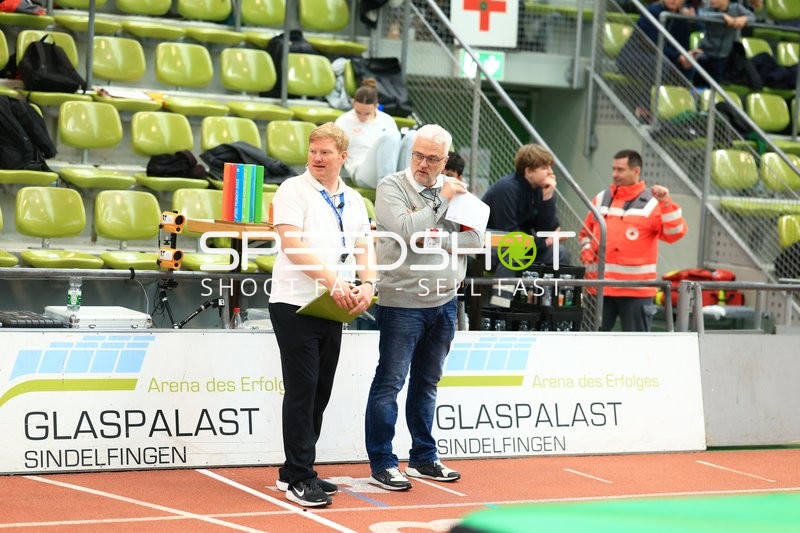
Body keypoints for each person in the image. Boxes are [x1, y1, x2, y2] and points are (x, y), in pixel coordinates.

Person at [365, 124, 483, 491]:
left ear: (445, 161)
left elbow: (476, 240)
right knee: (390, 383)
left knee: (427, 383)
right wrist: (441, 202)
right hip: (402, 301)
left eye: (432, 158)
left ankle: (423, 457)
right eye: (418, 155)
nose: (423, 163)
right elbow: (406, 231)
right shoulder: (391, 186)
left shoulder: (458, 192)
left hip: (445, 301)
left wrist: (436, 239)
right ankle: (383, 463)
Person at [268, 122, 377, 507]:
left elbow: (364, 244)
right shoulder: (292, 189)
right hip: (294, 302)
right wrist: (333, 281)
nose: (317, 158)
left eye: (325, 152)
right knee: (303, 389)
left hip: (333, 305)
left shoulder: (355, 198)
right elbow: (292, 245)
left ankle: (293, 470)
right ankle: (300, 476)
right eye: (313, 151)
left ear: (342, 157)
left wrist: (368, 284)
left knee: (320, 390)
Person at [578, 149, 688, 332]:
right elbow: (585, 234)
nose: (615, 174)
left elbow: (674, 233)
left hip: (636, 291)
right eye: (613, 169)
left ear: (636, 171)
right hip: (599, 287)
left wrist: (666, 203)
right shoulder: (601, 198)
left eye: (620, 170)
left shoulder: (653, 203)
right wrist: (586, 249)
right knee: (590, 342)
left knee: (637, 345)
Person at [482, 143, 570, 275]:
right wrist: (546, 242)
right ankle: (504, 289)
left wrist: (547, 197)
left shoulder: (539, 189)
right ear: (528, 171)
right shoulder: (506, 188)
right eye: (544, 168)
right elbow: (510, 234)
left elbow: (548, 231)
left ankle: (545, 289)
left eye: (550, 167)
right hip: (495, 248)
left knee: (560, 253)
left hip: (526, 245)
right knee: (514, 255)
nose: (551, 172)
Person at [616, 0, 694, 121]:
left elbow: (683, 46)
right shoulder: (652, 12)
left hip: (662, 58)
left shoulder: (681, 19)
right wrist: (678, 56)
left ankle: (677, 114)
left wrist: (688, 57)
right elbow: (652, 44)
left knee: (687, 68)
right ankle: (644, 108)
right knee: (661, 65)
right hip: (633, 57)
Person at [335, 78, 401, 189]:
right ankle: (387, 191)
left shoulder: (387, 120)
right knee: (388, 138)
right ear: (353, 103)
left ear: (376, 106)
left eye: (367, 113)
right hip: (360, 171)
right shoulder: (343, 121)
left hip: (391, 170)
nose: (362, 117)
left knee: (411, 135)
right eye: (358, 112)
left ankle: (409, 186)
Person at [691, 0, 756, 84]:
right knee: (698, 82)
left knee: (716, 84)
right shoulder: (708, 8)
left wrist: (744, 19)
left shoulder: (736, 8)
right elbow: (701, 15)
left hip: (724, 56)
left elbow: (752, 17)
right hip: (706, 53)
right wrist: (723, 16)